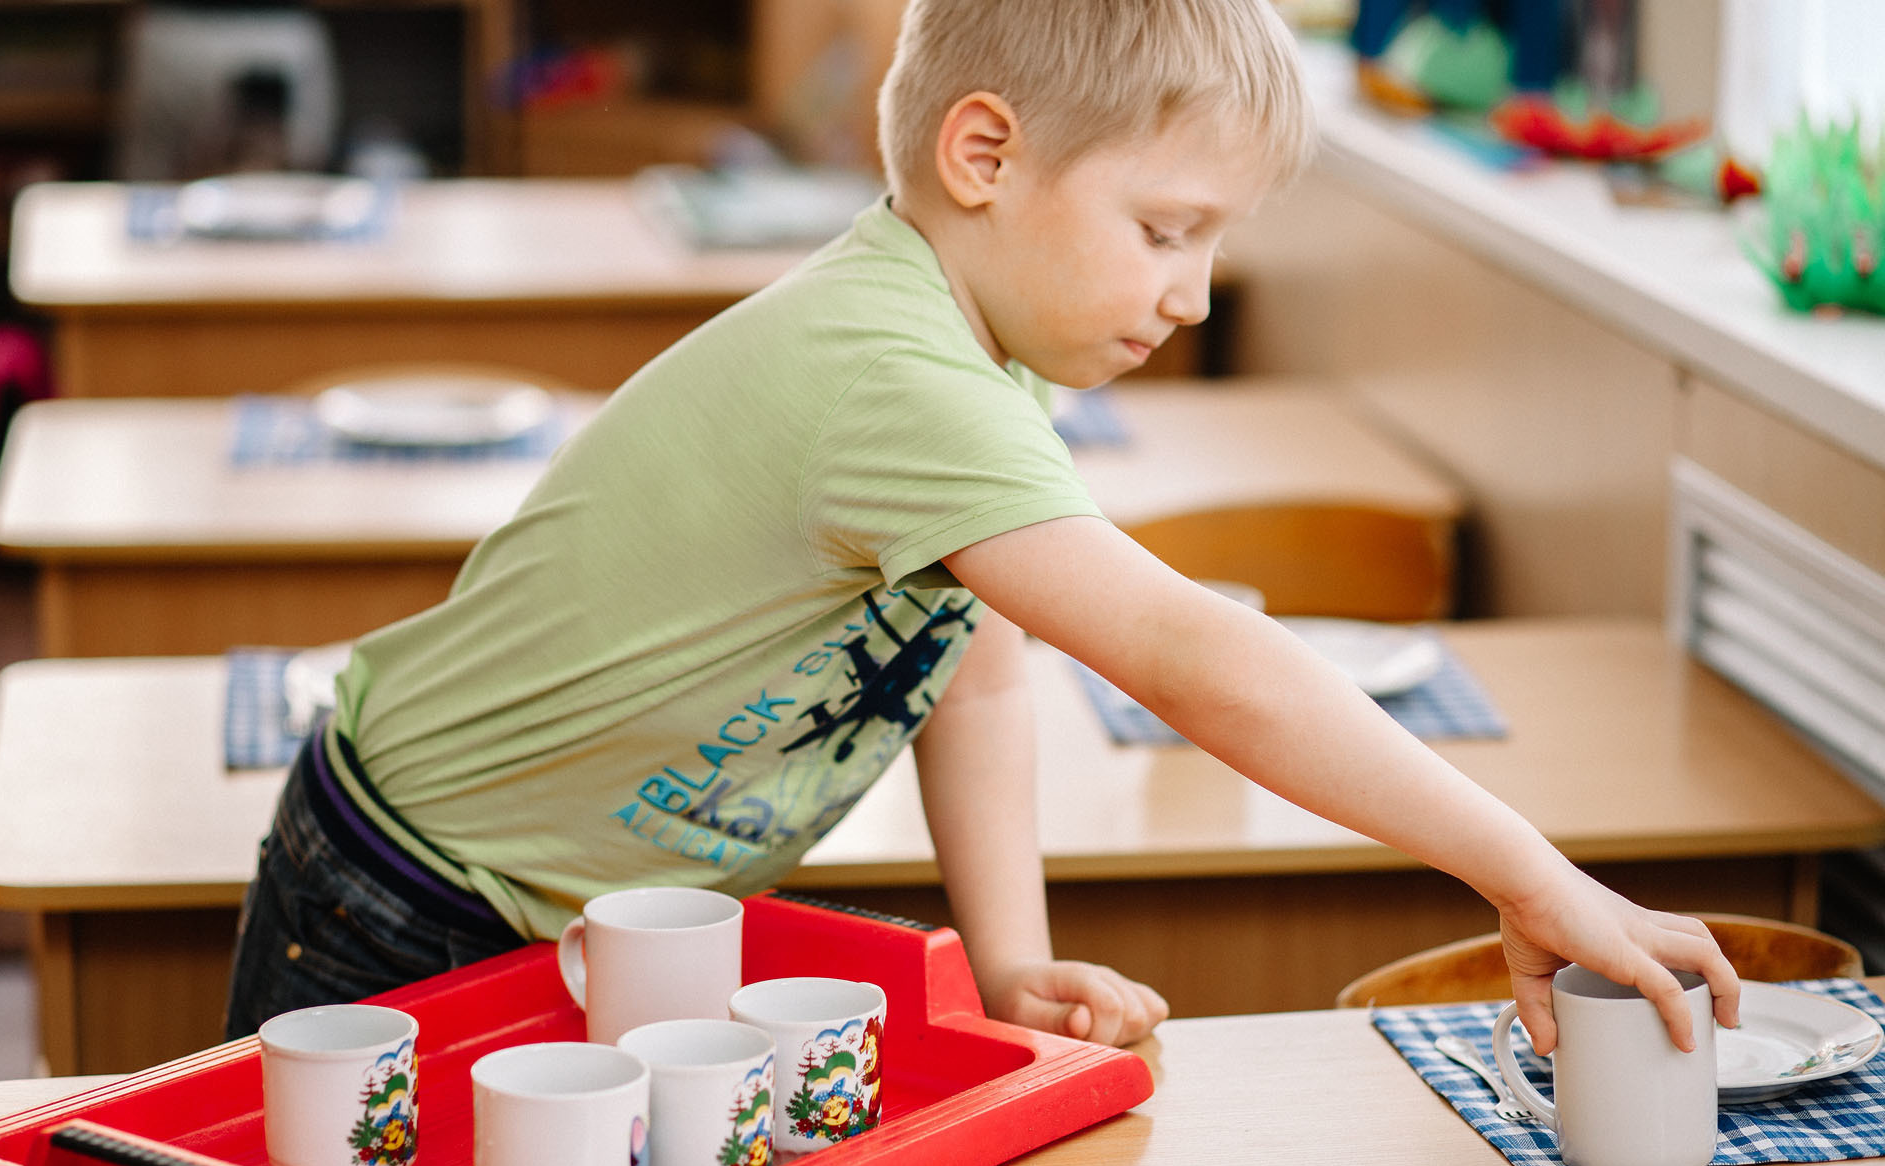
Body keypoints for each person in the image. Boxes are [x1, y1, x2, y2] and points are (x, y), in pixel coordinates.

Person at [226, 0, 1740, 1055]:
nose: (1193, 293)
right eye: (1166, 230)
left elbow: (979, 674)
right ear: (985, 158)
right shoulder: (893, 377)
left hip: (574, 915)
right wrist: (1530, 875)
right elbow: (1199, 659)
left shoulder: (980, 365)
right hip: (407, 893)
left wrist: (1009, 963)